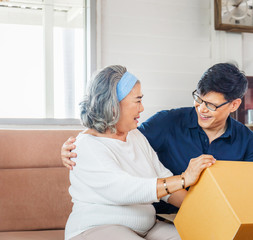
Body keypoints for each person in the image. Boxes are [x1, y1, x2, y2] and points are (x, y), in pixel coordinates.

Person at [62, 63, 253, 214]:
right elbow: (116, 138)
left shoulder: (248, 143)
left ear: (234, 104)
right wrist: (76, 145)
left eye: (211, 104)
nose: (202, 109)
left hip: (215, 215)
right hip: (165, 217)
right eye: (198, 99)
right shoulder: (166, 123)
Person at [64, 65, 215, 240]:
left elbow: (163, 180)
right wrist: (183, 179)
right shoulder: (85, 146)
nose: (142, 108)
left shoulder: (135, 136)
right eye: (137, 101)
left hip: (147, 227)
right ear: (113, 104)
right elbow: (126, 189)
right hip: (97, 227)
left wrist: (210, 213)